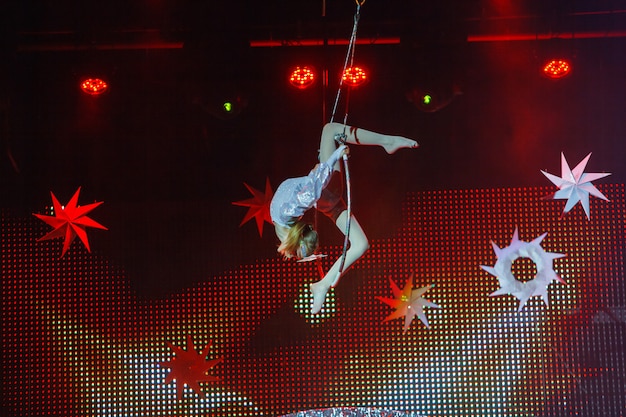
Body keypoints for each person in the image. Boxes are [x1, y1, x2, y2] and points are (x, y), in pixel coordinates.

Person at [270, 122, 418, 314]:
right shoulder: (283, 221)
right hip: (327, 190)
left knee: (361, 244)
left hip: (326, 199)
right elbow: (316, 183)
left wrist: (321, 167)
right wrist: (334, 156)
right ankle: (387, 141)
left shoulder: (287, 224)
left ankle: (322, 285)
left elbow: (309, 187)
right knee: (329, 129)